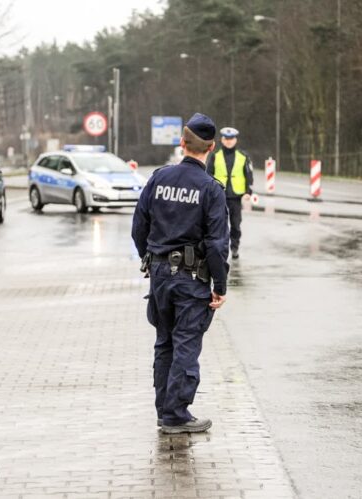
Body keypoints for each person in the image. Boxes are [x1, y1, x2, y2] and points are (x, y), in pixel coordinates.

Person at [132, 113, 230, 434]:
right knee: (186, 343)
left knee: (164, 342)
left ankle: (164, 409)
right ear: (211, 147)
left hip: (159, 274)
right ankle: (175, 414)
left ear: (182, 143)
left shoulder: (158, 179)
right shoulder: (211, 189)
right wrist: (220, 285)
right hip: (191, 280)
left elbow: (138, 228)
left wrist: (151, 257)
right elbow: (217, 244)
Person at [206, 127, 254, 259]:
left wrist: (248, 191)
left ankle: (235, 247)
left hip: (236, 197)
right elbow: (208, 174)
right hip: (219, 196)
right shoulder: (215, 156)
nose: (228, 141)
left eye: (231, 139)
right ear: (222, 140)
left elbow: (248, 174)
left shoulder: (243, 156)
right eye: (226, 139)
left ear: (235, 140)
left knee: (235, 224)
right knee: (219, 224)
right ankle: (221, 247)